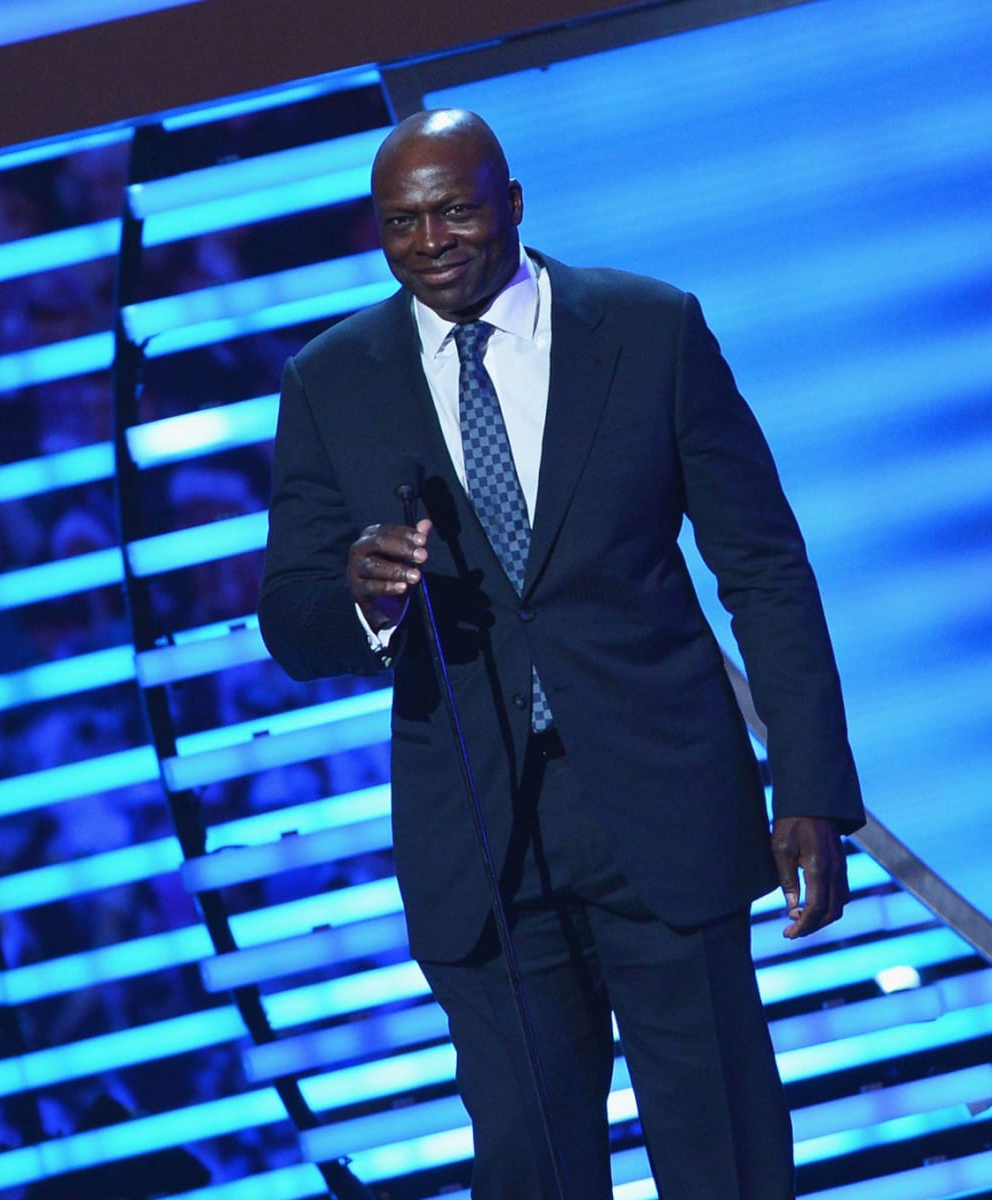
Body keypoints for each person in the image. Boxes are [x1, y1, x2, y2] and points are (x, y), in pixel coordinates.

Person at [259, 108, 864, 1199]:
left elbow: (764, 568)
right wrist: (361, 594)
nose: (430, 241)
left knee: (723, 1150)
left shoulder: (650, 329)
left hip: (666, 814)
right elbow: (291, 619)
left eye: (453, 211)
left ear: (513, 204)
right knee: (532, 1169)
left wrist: (809, 789)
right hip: (481, 842)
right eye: (402, 222)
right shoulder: (332, 380)